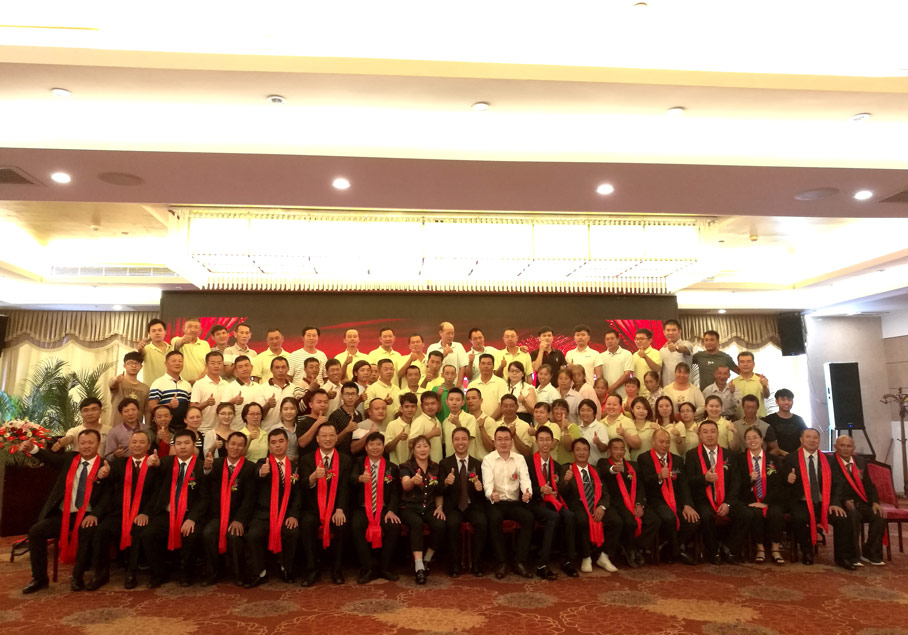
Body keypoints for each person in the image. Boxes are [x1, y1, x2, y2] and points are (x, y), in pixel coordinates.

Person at [20, 430, 111, 594]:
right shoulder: (70, 459)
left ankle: (77, 577)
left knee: (87, 532)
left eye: (91, 442)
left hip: (87, 514)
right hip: (64, 513)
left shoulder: (105, 466)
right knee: (35, 532)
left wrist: (95, 514)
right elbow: (50, 459)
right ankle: (39, 578)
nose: (86, 446)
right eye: (83, 443)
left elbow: (107, 497)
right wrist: (32, 448)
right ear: (78, 444)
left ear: (98, 444)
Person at [91, 430, 159, 590]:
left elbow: (157, 494)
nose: (137, 445)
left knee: (138, 530)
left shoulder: (154, 465)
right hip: (120, 512)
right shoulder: (120, 464)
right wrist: (102, 474)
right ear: (129, 444)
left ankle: (131, 573)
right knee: (101, 530)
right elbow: (108, 476)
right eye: (134, 442)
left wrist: (146, 513)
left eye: (141, 442)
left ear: (148, 445)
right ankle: (101, 574)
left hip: (143, 513)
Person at [781, 428, 854, 569]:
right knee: (799, 518)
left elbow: (838, 484)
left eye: (815, 437)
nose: (812, 440)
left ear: (819, 440)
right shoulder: (791, 458)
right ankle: (807, 551)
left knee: (842, 518)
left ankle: (843, 557)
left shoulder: (829, 460)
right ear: (801, 440)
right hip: (801, 501)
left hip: (824, 502)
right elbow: (782, 482)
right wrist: (788, 479)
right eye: (808, 437)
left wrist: (835, 503)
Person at [145, 429, 209, 587]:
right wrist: (154, 462)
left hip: (189, 514)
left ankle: (186, 573)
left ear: (194, 445)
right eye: (178, 443)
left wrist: (192, 518)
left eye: (186, 443)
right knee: (148, 534)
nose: (182, 447)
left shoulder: (201, 467)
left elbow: (205, 498)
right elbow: (158, 466)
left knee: (191, 536)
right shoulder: (167, 462)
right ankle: (159, 574)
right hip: (166, 513)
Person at [245, 429, 302, 586]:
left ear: (287, 443)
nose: (277, 445)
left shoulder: (294, 467)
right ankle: (260, 573)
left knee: (292, 531)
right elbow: (256, 473)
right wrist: (261, 473)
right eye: (273, 442)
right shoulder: (262, 463)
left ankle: (286, 569)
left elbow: (298, 494)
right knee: (254, 534)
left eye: (281, 441)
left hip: (285, 514)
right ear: (269, 446)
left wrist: (293, 515)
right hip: (264, 514)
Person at [685, 420, 746, 564]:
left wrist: (728, 503)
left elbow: (736, 481)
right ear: (699, 435)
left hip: (726, 499)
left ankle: (728, 547)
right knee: (706, 516)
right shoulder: (692, 455)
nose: (709, 435)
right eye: (705, 432)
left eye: (713, 431)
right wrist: (704, 478)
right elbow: (688, 480)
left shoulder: (729, 455)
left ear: (718, 434)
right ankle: (713, 551)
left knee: (746, 515)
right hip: (704, 500)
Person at [200, 431, 255, 586]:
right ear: (226, 445)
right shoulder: (216, 464)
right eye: (232, 444)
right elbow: (207, 479)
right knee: (208, 533)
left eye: (240, 445)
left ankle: (238, 574)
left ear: (244, 448)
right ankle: (214, 572)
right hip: (218, 515)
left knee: (234, 535)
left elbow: (250, 498)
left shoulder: (249, 468)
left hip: (238, 515)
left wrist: (240, 520)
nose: (235, 448)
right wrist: (207, 469)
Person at [299, 423, 351, 586]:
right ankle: (312, 570)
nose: (328, 439)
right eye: (324, 435)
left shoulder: (345, 459)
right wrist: (312, 477)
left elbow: (345, 487)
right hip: (313, 509)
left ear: (336, 438)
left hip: (336, 508)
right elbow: (302, 485)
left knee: (341, 525)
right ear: (317, 438)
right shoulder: (307, 459)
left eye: (331, 435)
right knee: (307, 524)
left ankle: (337, 570)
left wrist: (340, 509)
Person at [637, 428, 699, 565]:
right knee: (669, 518)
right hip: (655, 500)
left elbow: (683, 485)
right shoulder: (644, 458)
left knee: (693, 520)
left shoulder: (677, 460)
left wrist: (687, 504)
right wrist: (658, 477)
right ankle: (676, 552)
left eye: (667, 442)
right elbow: (645, 482)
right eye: (661, 442)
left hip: (675, 500)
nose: (664, 445)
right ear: (653, 442)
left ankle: (668, 549)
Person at [560, 438, 619, 573]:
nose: (582, 453)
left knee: (617, 521)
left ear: (589, 452)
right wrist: (566, 481)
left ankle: (604, 556)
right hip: (578, 505)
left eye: (585, 450)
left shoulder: (596, 470)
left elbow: (606, 494)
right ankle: (586, 557)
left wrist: (602, 507)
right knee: (582, 521)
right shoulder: (566, 468)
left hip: (597, 505)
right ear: (573, 453)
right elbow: (561, 492)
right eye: (578, 450)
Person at [482, 426, 535, 579]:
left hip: (514, 502)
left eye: (506, 439)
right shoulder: (488, 460)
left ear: (511, 441)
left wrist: (527, 493)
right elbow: (487, 483)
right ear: (494, 442)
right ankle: (502, 562)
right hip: (496, 502)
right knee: (494, 518)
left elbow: (525, 480)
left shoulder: (519, 459)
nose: (503, 442)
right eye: (499, 439)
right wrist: (491, 494)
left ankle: (520, 561)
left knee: (529, 517)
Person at [527, 426, 578, 579]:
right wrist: (541, 490)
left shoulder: (556, 465)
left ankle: (567, 560)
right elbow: (523, 488)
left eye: (548, 440)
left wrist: (566, 481)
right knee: (553, 517)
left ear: (552, 442)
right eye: (541, 440)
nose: (545, 443)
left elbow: (561, 491)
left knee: (569, 516)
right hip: (534, 502)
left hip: (552, 502)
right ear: (536, 442)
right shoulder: (528, 462)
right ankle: (542, 564)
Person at [351, 431, 402, 583]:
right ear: (366, 447)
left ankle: (385, 567)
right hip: (362, 507)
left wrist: (391, 510)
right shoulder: (358, 463)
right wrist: (360, 478)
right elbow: (350, 478)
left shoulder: (391, 467)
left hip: (384, 508)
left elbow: (396, 492)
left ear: (383, 447)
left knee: (393, 526)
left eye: (379, 444)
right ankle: (368, 568)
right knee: (356, 525)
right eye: (371, 444)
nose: (375, 447)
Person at [600, 437, 658, 568]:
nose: (619, 452)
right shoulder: (603, 463)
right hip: (617, 504)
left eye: (622, 449)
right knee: (629, 522)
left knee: (654, 520)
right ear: (609, 450)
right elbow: (605, 471)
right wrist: (614, 469)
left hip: (635, 502)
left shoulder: (634, 466)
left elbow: (640, 487)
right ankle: (631, 549)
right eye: (615, 449)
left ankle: (634, 546)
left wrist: (639, 504)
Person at [829, 435, 885, 566]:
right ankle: (853, 555)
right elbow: (831, 486)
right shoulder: (830, 463)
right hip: (842, 503)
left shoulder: (860, 461)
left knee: (878, 515)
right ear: (835, 447)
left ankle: (870, 551)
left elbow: (869, 485)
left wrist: (875, 502)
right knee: (852, 516)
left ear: (853, 448)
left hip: (862, 502)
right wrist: (843, 502)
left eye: (849, 446)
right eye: (842, 445)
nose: (845, 449)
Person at [440, 427, 488, 578]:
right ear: (452, 442)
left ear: (469, 441)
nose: (460, 442)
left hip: (472, 505)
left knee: (482, 522)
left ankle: (477, 564)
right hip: (454, 507)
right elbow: (439, 490)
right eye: (457, 439)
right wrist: (446, 483)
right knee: (452, 524)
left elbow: (483, 493)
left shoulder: (477, 464)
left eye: (463, 439)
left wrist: (480, 488)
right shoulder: (445, 463)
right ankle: (454, 565)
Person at [735, 426, 785, 565]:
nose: (752, 441)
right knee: (755, 514)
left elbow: (778, 484)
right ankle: (760, 549)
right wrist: (749, 480)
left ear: (762, 439)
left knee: (776, 513)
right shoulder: (739, 460)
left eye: (755, 437)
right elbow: (736, 485)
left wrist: (765, 501)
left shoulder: (772, 459)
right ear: (745, 442)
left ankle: (775, 549)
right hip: (749, 499)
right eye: (748, 438)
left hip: (770, 499)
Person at [399, 436, 445, 584]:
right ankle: (419, 567)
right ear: (413, 450)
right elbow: (405, 485)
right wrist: (413, 481)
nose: (422, 449)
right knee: (416, 523)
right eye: (418, 446)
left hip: (430, 507)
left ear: (430, 448)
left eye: (425, 446)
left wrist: (439, 507)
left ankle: (427, 559)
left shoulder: (436, 467)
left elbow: (439, 492)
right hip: (410, 507)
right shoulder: (406, 466)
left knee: (440, 524)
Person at [146, 351, 191, 431]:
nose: (177, 363)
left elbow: (189, 407)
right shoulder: (158, 383)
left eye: (180, 361)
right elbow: (151, 407)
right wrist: (169, 405)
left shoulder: (187, 385)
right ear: (166, 363)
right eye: (174, 361)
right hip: (164, 429)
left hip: (184, 429)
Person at [220, 355, 266, 431]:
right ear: (235, 370)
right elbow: (221, 409)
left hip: (256, 430)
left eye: (246, 365)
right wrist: (233, 401)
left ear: (251, 367)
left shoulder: (259, 387)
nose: (244, 369)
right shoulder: (230, 387)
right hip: (237, 430)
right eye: (240, 367)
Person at [190, 351, 229, 434]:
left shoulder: (226, 384)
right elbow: (192, 408)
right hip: (204, 429)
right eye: (213, 363)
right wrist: (206, 403)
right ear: (206, 365)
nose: (216, 366)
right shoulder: (199, 384)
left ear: (223, 365)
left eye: (219, 363)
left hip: (223, 429)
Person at [108, 351, 150, 428]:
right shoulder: (119, 382)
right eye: (130, 363)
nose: (133, 366)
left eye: (136, 363)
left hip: (137, 430)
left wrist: (148, 428)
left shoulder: (145, 388)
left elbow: (147, 411)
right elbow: (112, 384)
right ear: (124, 365)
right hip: (117, 427)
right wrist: (116, 380)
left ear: (141, 367)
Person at [262, 356, 303, 431]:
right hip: (268, 431)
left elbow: (299, 412)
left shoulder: (294, 388)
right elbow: (258, 415)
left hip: (290, 432)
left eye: (283, 367)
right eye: (277, 367)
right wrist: (268, 405)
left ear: (288, 369)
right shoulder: (262, 388)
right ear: (271, 370)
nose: (280, 370)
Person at [762, 388, 807, 455]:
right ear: (777, 401)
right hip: (775, 457)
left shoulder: (799, 420)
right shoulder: (769, 419)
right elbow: (765, 441)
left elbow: (806, 438)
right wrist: (782, 453)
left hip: (796, 456)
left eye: (789, 400)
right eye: (783, 400)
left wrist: (794, 454)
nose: (786, 402)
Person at [596, 328, 634, 400]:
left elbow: (627, 374)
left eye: (612, 338)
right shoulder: (601, 356)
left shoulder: (627, 354)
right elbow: (600, 376)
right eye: (607, 339)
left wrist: (612, 387)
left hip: (623, 395)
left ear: (618, 339)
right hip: (606, 395)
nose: (609, 341)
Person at [327, 381, 364, 455]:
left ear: (357, 396)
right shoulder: (335, 415)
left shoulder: (358, 415)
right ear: (341, 396)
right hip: (340, 456)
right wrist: (347, 430)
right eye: (347, 394)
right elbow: (331, 442)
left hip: (356, 456)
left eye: (353, 394)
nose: (350, 397)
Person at [171, 317, 211, 384]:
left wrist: (197, 381)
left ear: (200, 330)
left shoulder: (205, 344)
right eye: (189, 326)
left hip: (201, 383)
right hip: (181, 384)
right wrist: (183, 341)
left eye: (196, 327)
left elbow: (208, 365)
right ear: (184, 329)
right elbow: (177, 344)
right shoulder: (176, 339)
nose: (192, 329)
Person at [731, 351, 770, 418]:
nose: (745, 364)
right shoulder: (733, 382)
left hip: (759, 419)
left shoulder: (761, 380)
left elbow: (766, 396)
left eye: (748, 361)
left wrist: (764, 386)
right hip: (739, 420)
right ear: (738, 365)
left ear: (753, 364)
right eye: (742, 362)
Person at [468, 353, 508, 418]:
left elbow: (502, 405)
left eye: (489, 364)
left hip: (497, 422)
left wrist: (489, 421)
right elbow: (470, 407)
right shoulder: (472, 385)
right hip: (476, 422)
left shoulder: (501, 383)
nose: (486, 366)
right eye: (483, 363)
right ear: (479, 365)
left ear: (493, 366)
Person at [442, 388, 478, 458]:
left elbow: (468, 439)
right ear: (447, 402)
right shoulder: (445, 422)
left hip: (467, 460)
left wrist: (457, 424)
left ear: (463, 402)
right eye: (451, 400)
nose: (454, 403)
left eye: (458, 400)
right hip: (450, 461)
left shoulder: (470, 418)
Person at [364, 358, 401, 425]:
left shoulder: (397, 389)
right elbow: (367, 411)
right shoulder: (372, 388)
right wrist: (383, 403)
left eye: (391, 369)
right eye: (386, 369)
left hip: (395, 427)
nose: (389, 372)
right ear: (379, 371)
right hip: (377, 427)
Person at [410, 391, 444, 462]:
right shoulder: (419, 421)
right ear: (422, 406)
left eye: (433, 403)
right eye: (426, 404)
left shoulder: (437, 421)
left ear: (438, 405)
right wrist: (431, 434)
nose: (430, 407)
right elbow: (410, 444)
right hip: (424, 465)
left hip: (437, 463)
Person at [385, 392, 418, 464]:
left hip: (413, 467)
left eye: (413, 406)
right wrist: (398, 438)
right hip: (395, 466)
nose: (410, 409)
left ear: (416, 408)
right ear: (401, 409)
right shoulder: (392, 425)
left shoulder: (418, 424)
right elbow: (387, 449)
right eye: (406, 407)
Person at [296, 389, 330, 457]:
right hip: (308, 461)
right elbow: (302, 443)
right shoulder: (303, 423)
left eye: (325, 402)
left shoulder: (329, 423)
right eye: (319, 402)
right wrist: (317, 424)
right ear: (311, 404)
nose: (323, 405)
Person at [660, 319, 694, 387]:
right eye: (668, 330)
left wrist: (676, 347)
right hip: (667, 388)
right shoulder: (662, 350)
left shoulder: (688, 344)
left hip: (684, 388)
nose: (670, 333)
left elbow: (684, 349)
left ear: (679, 331)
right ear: (664, 332)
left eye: (673, 330)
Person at [574, 399, 609, 465]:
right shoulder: (577, 428)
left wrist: (598, 442)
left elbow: (604, 448)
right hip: (581, 467)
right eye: (582, 410)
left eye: (588, 410)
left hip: (596, 467)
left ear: (594, 412)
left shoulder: (600, 427)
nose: (585, 413)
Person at [633, 329, 662, 398]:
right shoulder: (634, 355)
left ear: (650, 340)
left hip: (652, 393)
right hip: (638, 393)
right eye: (636, 339)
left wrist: (645, 357)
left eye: (641, 339)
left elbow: (657, 368)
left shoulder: (656, 352)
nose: (638, 341)